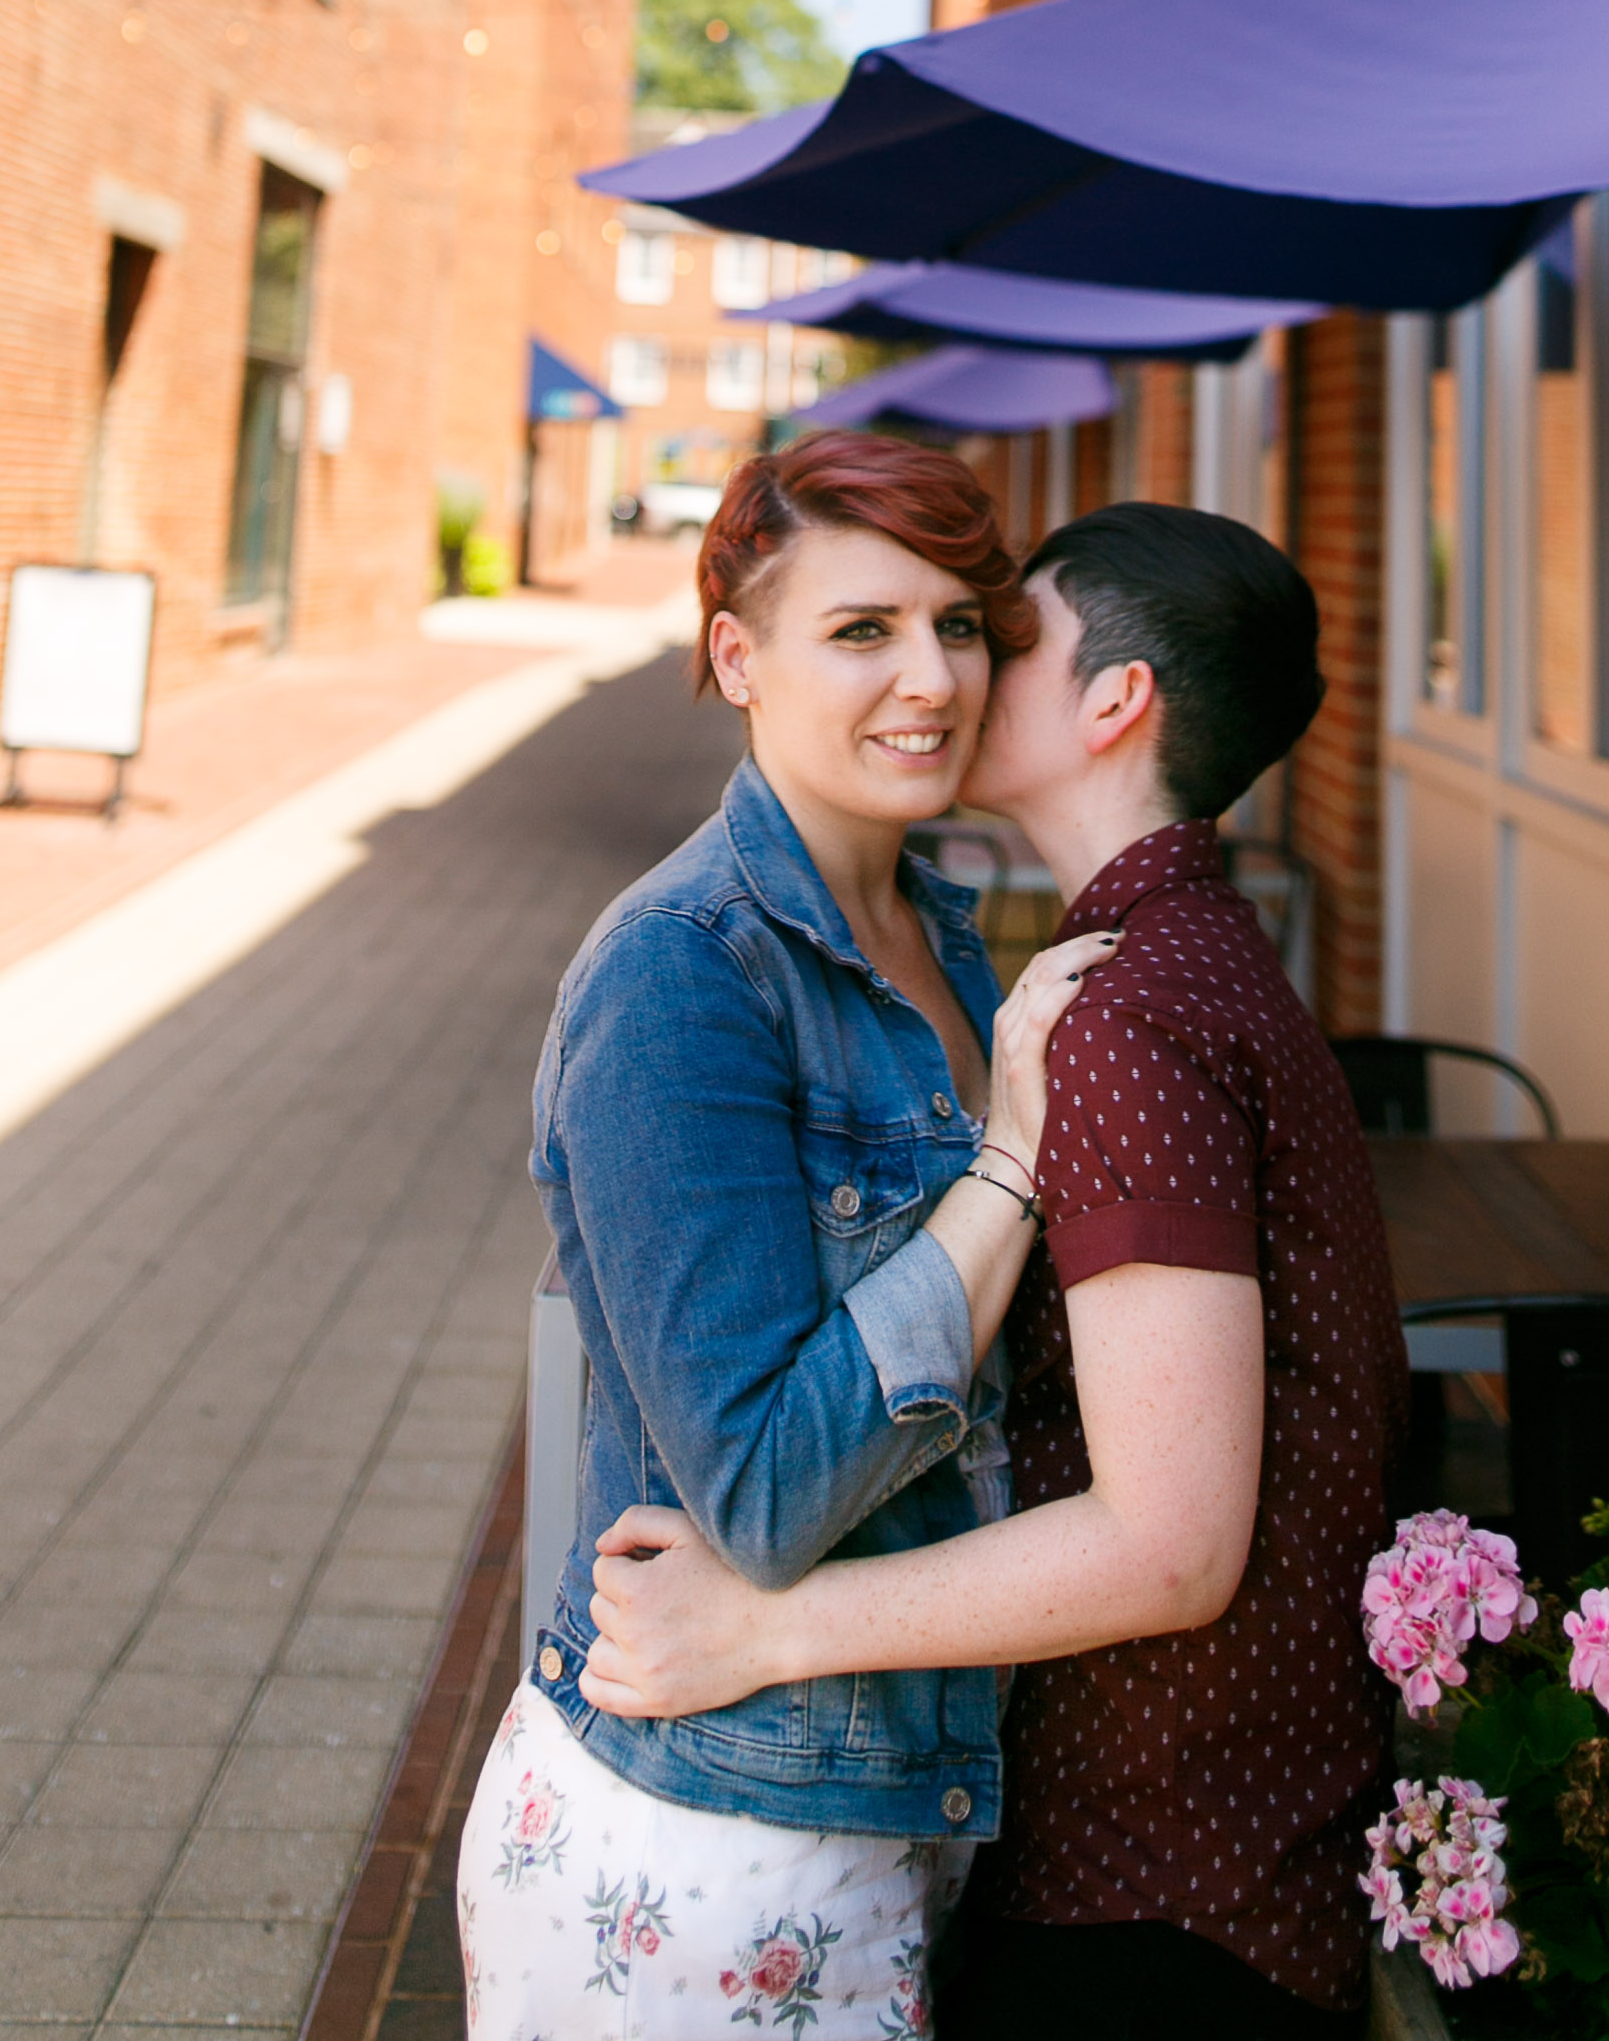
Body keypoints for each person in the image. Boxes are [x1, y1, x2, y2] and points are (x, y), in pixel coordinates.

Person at [582, 501, 1409, 2039]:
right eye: (890, 632)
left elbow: (1168, 1544)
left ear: (1116, 703)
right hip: (1206, 1839)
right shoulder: (1163, 958)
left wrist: (767, 1626)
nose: (950, 678)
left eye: (992, 636)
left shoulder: (1125, 1012)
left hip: (1160, 1873)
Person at [457, 432, 1118, 2041]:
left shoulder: (939, 932)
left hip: (882, 1805)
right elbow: (759, 1486)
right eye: (861, 630)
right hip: (700, 1849)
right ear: (735, 658)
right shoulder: (679, 979)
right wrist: (1014, 1161)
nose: (932, 676)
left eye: (959, 625)